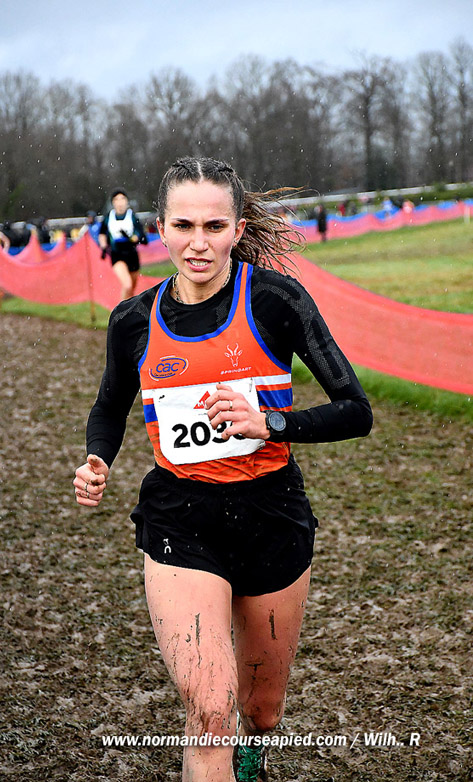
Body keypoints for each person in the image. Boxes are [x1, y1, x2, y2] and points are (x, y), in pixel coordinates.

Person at [73, 157, 373, 782]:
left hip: (272, 513)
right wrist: (98, 457)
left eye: (215, 226)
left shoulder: (274, 300)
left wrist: (273, 422)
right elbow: (108, 408)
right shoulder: (133, 320)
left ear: (238, 229)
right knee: (210, 712)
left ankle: (251, 760)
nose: (198, 242)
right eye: (184, 225)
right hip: (180, 518)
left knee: (259, 714)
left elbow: (356, 412)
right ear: (161, 228)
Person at [98, 188, 147, 300]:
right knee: (127, 285)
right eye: (117, 200)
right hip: (117, 254)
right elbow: (102, 233)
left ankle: (129, 311)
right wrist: (104, 246)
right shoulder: (108, 218)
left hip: (132, 255)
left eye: (122, 199)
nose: (120, 202)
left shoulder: (132, 217)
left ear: (127, 202)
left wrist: (136, 238)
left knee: (131, 289)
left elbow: (141, 235)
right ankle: (120, 315)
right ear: (113, 203)